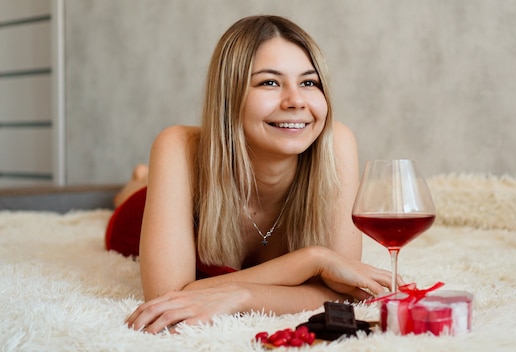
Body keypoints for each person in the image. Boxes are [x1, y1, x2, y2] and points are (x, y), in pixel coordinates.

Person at [105, 15, 397, 334]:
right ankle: (141, 180)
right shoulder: (177, 145)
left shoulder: (336, 142)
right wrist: (311, 260)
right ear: (230, 96)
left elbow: (344, 293)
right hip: (138, 214)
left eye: (309, 82)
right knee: (129, 197)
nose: (296, 100)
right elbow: (167, 299)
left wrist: (241, 296)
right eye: (269, 82)